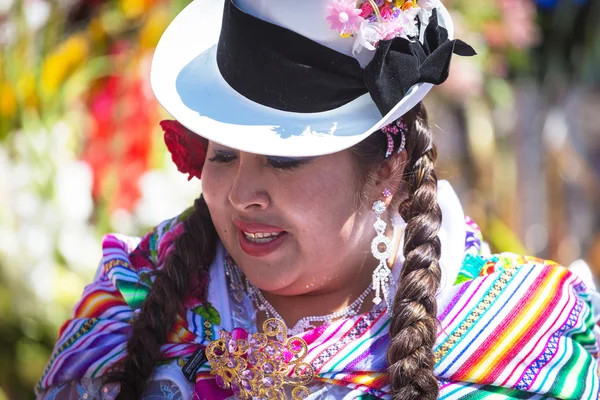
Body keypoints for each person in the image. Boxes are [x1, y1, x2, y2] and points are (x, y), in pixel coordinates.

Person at [36, 0, 600, 399]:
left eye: (282, 160)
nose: (241, 195)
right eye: (223, 155)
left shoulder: (526, 336)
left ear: (387, 169)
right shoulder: (127, 307)